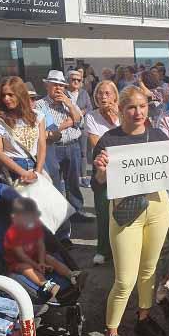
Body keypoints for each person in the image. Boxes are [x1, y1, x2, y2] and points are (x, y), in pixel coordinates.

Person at [93, 85, 169, 336]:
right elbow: (98, 183)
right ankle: (111, 335)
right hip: (125, 213)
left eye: (143, 107)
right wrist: (100, 169)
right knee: (124, 279)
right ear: (120, 110)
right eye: (131, 107)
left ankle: (143, 318)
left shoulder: (158, 136)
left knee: (149, 270)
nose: (138, 112)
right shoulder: (109, 140)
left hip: (158, 207)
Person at [36, 70, 88, 245]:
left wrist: (69, 104)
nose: (58, 88)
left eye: (61, 85)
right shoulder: (40, 105)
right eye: (54, 84)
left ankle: (77, 212)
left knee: (73, 182)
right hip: (53, 149)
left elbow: (80, 121)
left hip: (72, 146)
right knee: (56, 188)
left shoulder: (68, 101)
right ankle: (62, 232)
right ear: (47, 85)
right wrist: (67, 123)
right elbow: (50, 132)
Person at [4, 197, 82, 300]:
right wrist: (36, 265)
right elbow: (20, 255)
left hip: (34, 254)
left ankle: (71, 275)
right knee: (26, 268)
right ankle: (47, 285)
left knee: (50, 258)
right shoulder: (12, 233)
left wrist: (41, 262)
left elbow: (41, 245)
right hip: (18, 260)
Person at [86, 80, 120, 266]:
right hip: (103, 168)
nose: (103, 97)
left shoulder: (124, 113)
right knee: (103, 209)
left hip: (124, 168)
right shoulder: (91, 117)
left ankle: (121, 247)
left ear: (115, 96)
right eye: (100, 93)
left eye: (107, 93)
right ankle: (103, 249)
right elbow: (97, 144)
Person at [0, 77, 46, 184]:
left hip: (36, 163)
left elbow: (42, 145)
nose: (6, 99)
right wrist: (23, 173)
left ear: (20, 95)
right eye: (3, 95)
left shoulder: (38, 116)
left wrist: (38, 171)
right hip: (13, 167)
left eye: (10, 95)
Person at [67, 69, 93, 185]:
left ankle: (84, 176)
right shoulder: (64, 94)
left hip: (82, 128)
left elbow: (89, 108)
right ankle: (73, 178)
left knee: (83, 153)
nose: (76, 82)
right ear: (68, 81)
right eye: (74, 80)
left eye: (79, 80)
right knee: (71, 153)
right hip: (68, 128)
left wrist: (80, 113)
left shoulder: (84, 93)